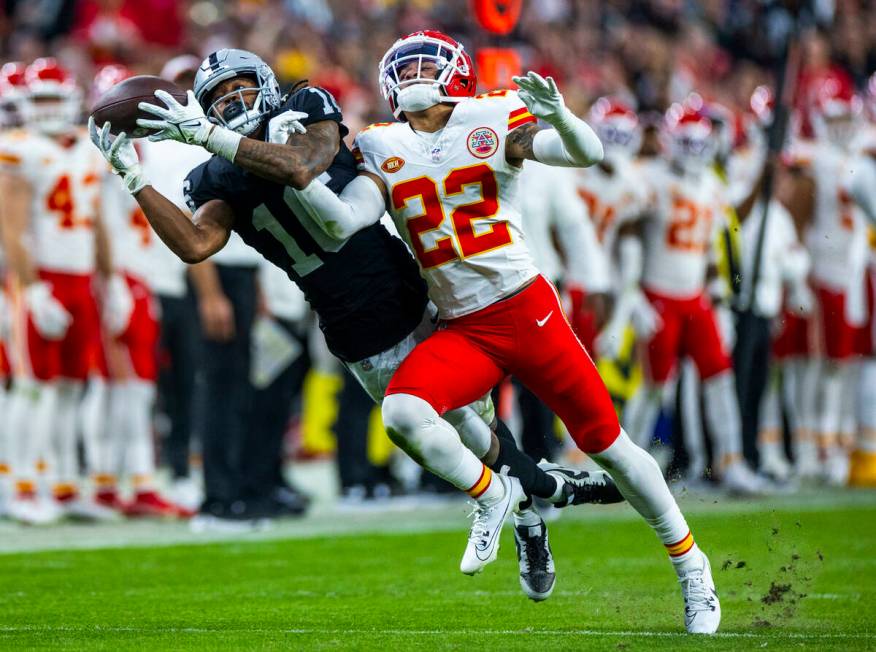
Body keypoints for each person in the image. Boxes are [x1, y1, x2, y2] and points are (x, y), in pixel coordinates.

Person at [90, 48, 619, 601]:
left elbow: (302, 165)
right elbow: (197, 244)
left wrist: (210, 135)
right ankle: (542, 490)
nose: (234, 101)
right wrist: (134, 178)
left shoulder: (303, 105)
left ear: (266, 84)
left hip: (401, 285)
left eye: (241, 87)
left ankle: (525, 499)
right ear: (203, 109)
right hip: (346, 320)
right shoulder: (212, 174)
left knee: (469, 417)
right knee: (443, 432)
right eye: (220, 98)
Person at [287, 30, 721, 633]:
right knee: (405, 414)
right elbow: (350, 219)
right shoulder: (378, 144)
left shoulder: (491, 116)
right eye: (404, 65)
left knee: (609, 444)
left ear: (457, 74)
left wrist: (561, 118)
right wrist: (295, 176)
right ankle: (503, 498)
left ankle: (692, 567)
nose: (414, 74)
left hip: (526, 310)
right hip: (463, 326)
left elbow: (584, 153)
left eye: (425, 64)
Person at [616, 104, 767, 495]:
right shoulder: (650, 178)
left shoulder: (713, 186)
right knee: (653, 385)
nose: (694, 151)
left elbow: (711, 251)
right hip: (658, 295)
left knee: (719, 376)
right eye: (686, 143)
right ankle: (628, 467)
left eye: (699, 143)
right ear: (670, 142)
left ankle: (731, 462)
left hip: (695, 298)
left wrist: (717, 300)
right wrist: (632, 295)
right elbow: (625, 234)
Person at [0, 58, 121, 523]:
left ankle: (66, 484)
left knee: (73, 387)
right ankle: (23, 486)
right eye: (40, 99)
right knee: (33, 388)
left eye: (54, 98)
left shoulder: (89, 151)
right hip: (43, 277)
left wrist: (111, 283)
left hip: (80, 278)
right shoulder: (19, 149)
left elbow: (97, 225)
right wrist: (30, 289)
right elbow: (12, 231)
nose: (48, 109)